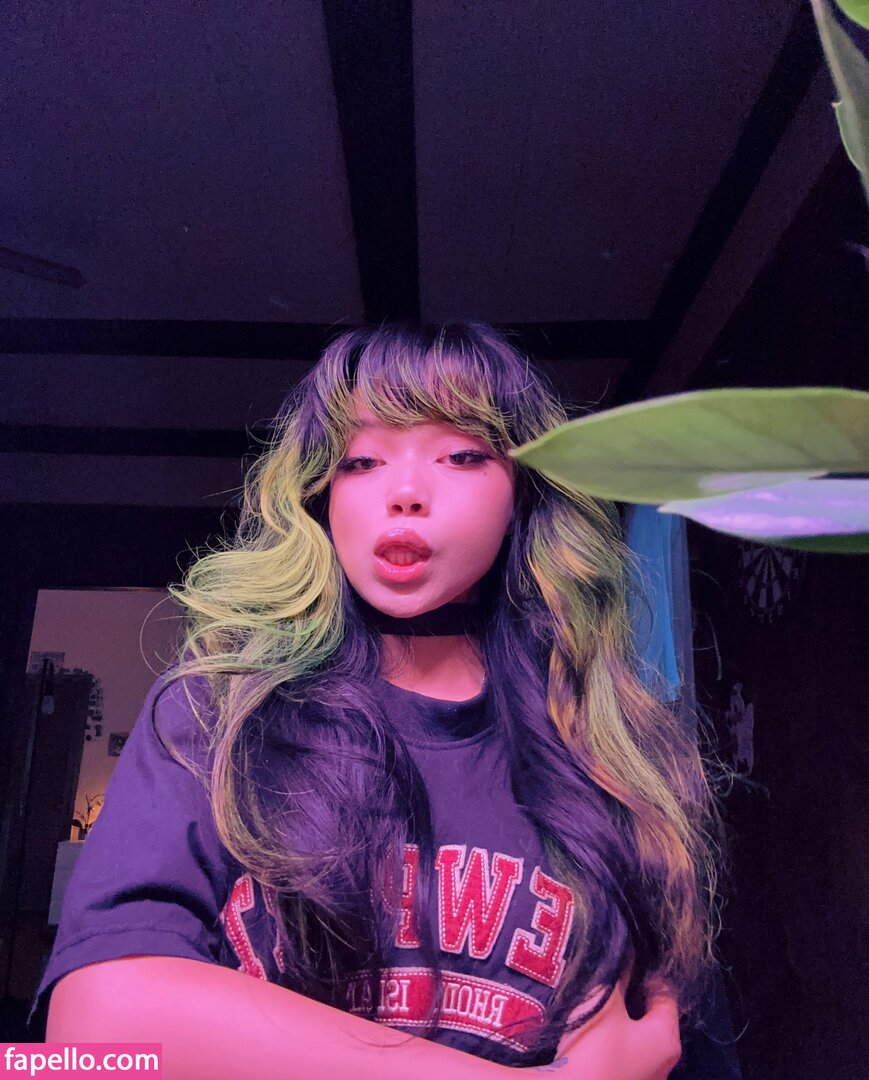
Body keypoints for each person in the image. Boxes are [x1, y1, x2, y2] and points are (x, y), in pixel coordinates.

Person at [33, 323, 735, 1078]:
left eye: (462, 456)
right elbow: (91, 1034)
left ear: (523, 493)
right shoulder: (223, 705)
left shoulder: (610, 743)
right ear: (320, 494)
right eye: (360, 461)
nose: (404, 493)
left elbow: (671, 1041)